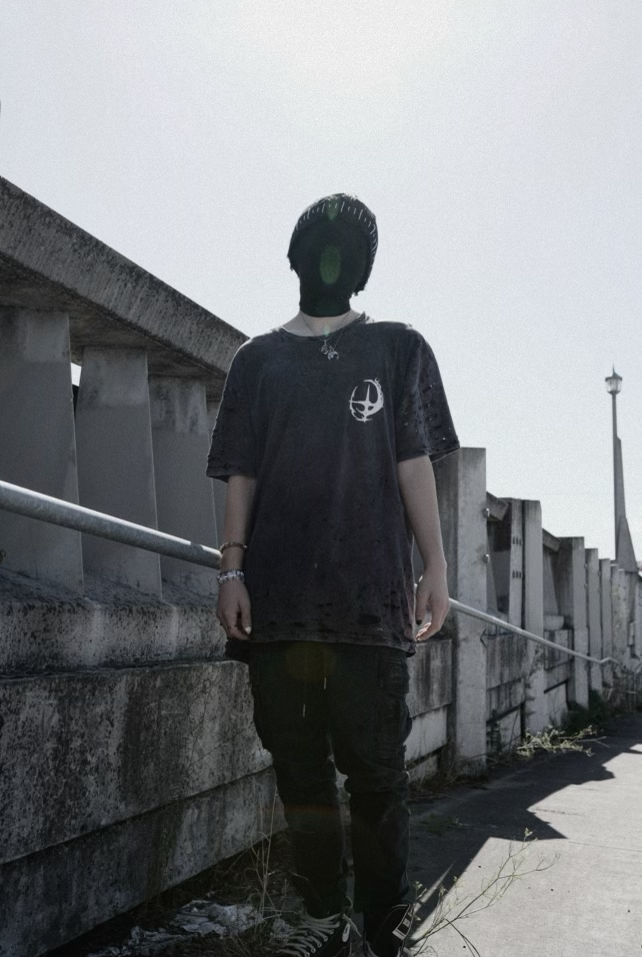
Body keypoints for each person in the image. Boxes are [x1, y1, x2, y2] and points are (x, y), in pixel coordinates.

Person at [206, 194, 460, 957]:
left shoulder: (398, 347)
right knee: (300, 769)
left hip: (370, 604)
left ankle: (382, 926)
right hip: (278, 603)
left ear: (365, 268)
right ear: (294, 255)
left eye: (349, 249)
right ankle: (321, 917)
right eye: (320, 244)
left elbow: (413, 462)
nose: (332, 259)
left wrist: (435, 563)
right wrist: (230, 568)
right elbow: (242, 472)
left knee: (377, 773)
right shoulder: (256, 361)